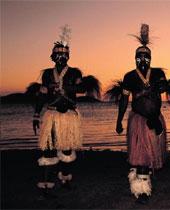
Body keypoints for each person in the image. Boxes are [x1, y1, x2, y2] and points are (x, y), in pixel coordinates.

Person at [107, 24, 170, 203]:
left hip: (155, 118)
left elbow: (165, 86)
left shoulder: (157, 73)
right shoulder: (129, 77)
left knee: (150, 154)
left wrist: (163, 86)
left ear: (150, 58)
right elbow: (124, 100)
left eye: (146, 57)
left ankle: (140, 177)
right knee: (141, 155)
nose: (142, 60)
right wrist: (119, 121)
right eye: (139, 57)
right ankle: (142, 190)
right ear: (134, 59)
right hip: (138, 120)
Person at [32, 25, 101, 197]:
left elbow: (81, 88)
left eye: (64, 54)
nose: (62, 57)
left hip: (69, 116)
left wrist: (69, 87)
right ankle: (46, 184)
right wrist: (36, 114)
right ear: (53, 56)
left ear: (68, 56)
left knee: (67, 150)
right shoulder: (47, 74)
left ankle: (65, 179)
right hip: (52, 115)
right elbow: (41, 95)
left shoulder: (74, 72)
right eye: (58, 55)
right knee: (47, 149)